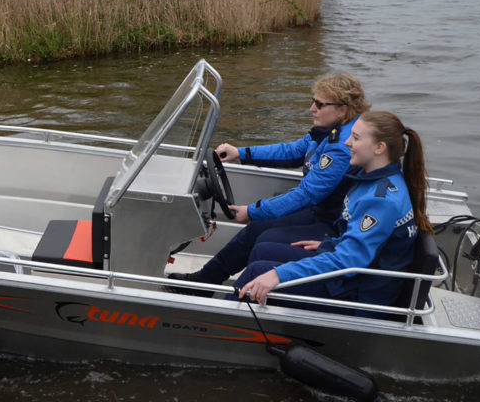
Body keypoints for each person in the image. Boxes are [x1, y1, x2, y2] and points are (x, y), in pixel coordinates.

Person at [168, 73, 370, 295]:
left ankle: (233, 295)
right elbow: (292, 151)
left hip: (331, 222)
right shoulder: (328, 132)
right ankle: (206, 280)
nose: (312, 108)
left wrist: (252, 211)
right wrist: (241, 153)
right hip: (320, 211)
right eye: (313, 101)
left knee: (263, 236)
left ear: (342, 110)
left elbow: (306, 195)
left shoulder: (339, 147)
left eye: (320, 104)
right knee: (257, 228)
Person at [234, 111, 434, 316]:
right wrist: (332, 244)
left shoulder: (380, 200)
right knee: (263, 251)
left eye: (356, 138)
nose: (347, 142)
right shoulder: (373, 178)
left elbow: (348, 261)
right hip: (353, 276)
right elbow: (364, 245)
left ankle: (225, 322)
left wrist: (279, 275)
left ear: (379, 148)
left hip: (358, 295)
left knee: (258, 271)